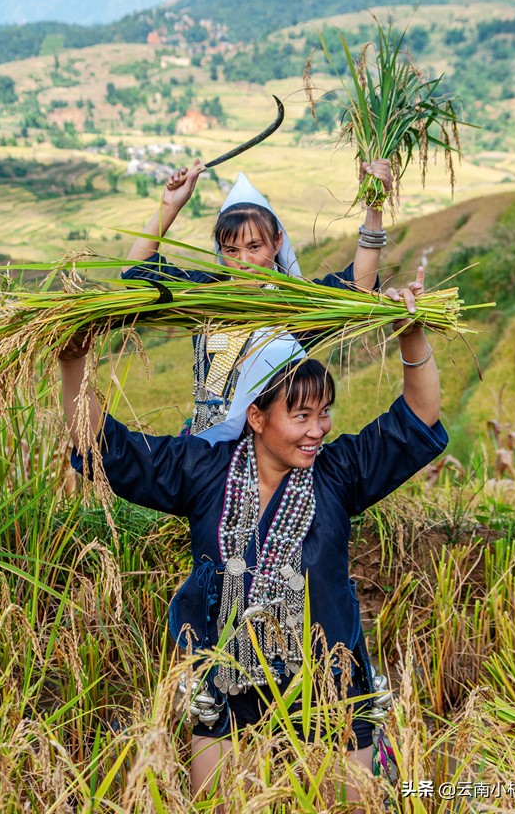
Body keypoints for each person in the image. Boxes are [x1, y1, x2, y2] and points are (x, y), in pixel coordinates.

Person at [59, 268, 446, 804]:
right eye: (302, 415)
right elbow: (107, 450)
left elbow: (418, 421)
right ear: (257, 418)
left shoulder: (338, 473)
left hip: (329, 682)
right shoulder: (204, 471)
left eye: (324, 413)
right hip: (227, 680)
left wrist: (411, 334)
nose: (320, 429)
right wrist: (73, 362)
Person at [123, 160, 392, 435]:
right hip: (204, 449)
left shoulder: (296, 303)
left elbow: (360, 286)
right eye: (231, 250)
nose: (244, 261)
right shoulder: (205, 291)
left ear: (276, 242)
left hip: (272, 457)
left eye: (254, 247)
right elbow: (136, 272)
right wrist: (170, 205)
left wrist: (374, 207)